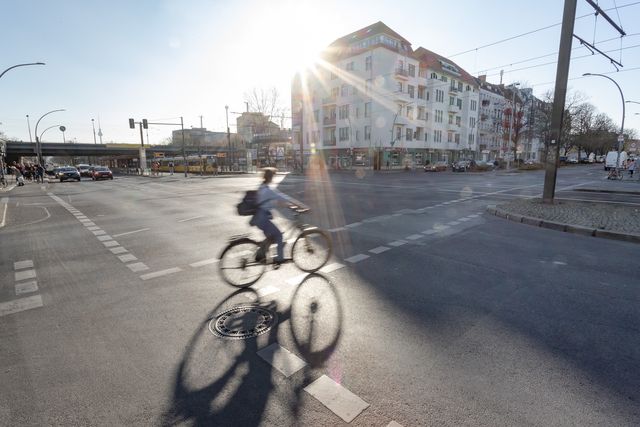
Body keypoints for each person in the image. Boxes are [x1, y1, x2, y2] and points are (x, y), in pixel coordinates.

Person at [250, 167, 307, 266]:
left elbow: (274, 202)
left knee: (271, 236)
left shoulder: (262, 187)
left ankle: (260, 255)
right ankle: (279, 258)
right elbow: (284, 197)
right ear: (271, 178)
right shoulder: (269, 191)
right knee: (279, 236)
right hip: (262, 218)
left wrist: (289, 206)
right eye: (273, 176)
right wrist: (300, 205)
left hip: (259, 217)